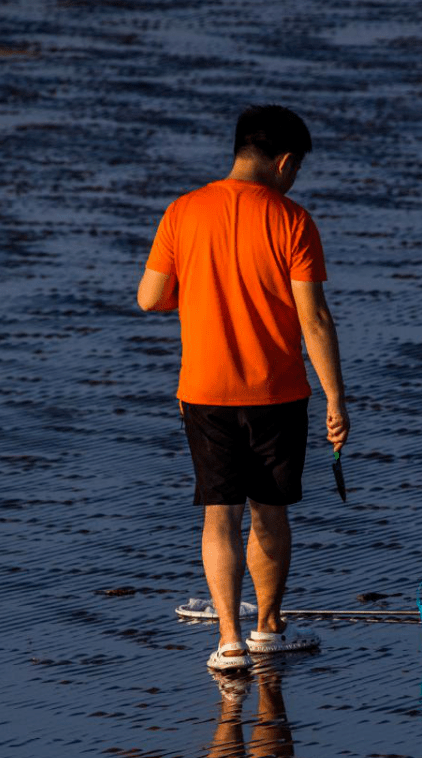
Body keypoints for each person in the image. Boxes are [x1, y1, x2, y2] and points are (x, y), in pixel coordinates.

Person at [137, 105, 349, 672]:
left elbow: (150, 297)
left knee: (218, 512)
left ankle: (228, 640)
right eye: (296, 167)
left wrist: (205, 295)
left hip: (203, 391)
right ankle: (268, 627)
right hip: (277, 392)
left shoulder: (181, 212)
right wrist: (335, 397)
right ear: (284, 161)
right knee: (270, 511)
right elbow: (315, 321)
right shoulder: (293, 220)